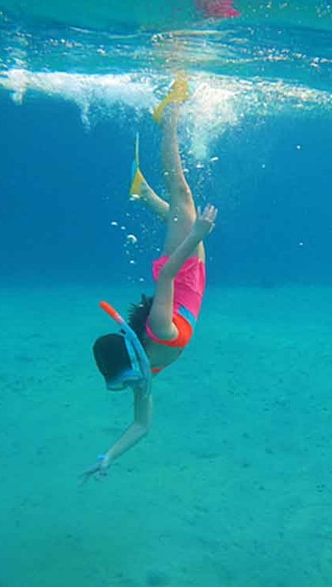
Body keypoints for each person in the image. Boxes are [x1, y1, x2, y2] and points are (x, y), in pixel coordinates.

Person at [81, 76, 218, 482]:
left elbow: (170, 275)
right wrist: (108, 457)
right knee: (178, 212)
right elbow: (142, 426)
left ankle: (169, 116)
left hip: (184, 272)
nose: (133, 385)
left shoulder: (158, 330)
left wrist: (195, 237)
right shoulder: (146, 374)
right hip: (190, 279)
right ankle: (142, 193)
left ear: (132, 360)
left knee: (183, 195)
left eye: (125, 379)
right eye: (124, 384)